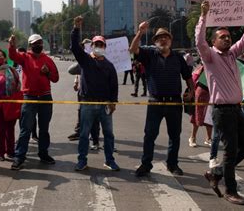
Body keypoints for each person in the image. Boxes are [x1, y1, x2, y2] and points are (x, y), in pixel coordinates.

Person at [196, 0, 244, 205]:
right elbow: (199, 41)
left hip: (236, 109)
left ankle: (216, 173)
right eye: (222, 37)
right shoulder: (210, 56)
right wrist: (203, 15)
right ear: (214, 41)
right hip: (222, 111)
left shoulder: (233, 55)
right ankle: (231, 191)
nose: (227, 39)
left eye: (228, 36)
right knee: (230, 151)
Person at [129, 23, 194, 177]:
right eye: (160, 38)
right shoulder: (149, 55)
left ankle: (172, 164)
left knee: (175, 135)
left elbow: (188, 76)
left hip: (174, 102)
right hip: (155, 102)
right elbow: (133, 49)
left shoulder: (178, 57)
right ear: (155, 41)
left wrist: (192, 91)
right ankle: (146, 164)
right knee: (150, 135)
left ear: (170, 41)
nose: (163, 40)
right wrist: (139, 32)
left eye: (166, 37)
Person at [71, 16, 119, 171]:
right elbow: (75, 47)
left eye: (101, 44)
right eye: (96, 44)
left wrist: (113, 102)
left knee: (109, 135)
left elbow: (114, 86)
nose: (98, 46)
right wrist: (76, 28)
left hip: (105, 105)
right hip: (88, 103)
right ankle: (82, 160)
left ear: (104, 47)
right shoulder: (85, 60)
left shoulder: (109, 66)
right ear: (91, 46)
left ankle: (109, 160)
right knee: (84, 134)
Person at [8, 33, 59, 170]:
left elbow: (55, 78)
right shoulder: (25, 58)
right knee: (26, 129)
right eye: (35, 43)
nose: (38, 45)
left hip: (45, 98)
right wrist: (12, 45)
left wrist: (48, 72)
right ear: (30, 46)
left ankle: (43, 154)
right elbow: (13, 56)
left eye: (40, 43)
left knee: (44, 129)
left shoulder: (47, 60)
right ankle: (19, 157)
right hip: (29, 97)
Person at [0, 50, 21, 161]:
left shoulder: (12, 70)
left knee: (10, 128)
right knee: (0, 128)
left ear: (5, 58)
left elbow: (18, 84)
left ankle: (10, 151)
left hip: (11, 103)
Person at [188, 63, 213, 147]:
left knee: (209, 116)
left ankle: (208, 138)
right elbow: (193, 79)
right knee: (197, 115)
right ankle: (192, 137)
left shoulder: (217, 65)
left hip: (212, 93)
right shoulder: (202, 66)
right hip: (201, 91)